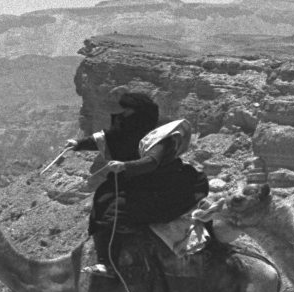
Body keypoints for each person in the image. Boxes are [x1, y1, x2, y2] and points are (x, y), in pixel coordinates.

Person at [68, 92, 209, 278]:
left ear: (140, 113)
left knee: (115, 211)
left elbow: (151, 162)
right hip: (138, 181)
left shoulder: (159, 137)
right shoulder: (128, 130)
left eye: (129, 111)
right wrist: (78, 144)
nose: (124, 115)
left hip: (160, 186)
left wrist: (125, 166)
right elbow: (107, 138)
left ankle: (110, 264)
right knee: (103, 197)